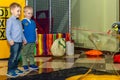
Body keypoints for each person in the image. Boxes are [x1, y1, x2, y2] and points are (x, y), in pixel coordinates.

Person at [6, 2, 27, 77]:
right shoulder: (10, 20)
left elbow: (21, 32)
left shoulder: (18, 21)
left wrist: (24, 39)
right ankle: (10, 70)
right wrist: (9, 40)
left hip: (20, 42)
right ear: (12, 10)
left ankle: (15, 68)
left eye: (20, 11)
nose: (19, 12)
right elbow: (7, 32)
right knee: (13, 56)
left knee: (17, 57)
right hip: (14, 42)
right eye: (18, 11)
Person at [21, 6, 38, 71]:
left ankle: (32, 64)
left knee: (31, 53)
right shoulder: (23, 22)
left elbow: (35, 31)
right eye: (28, 13)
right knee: (24, 53)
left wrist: (36, 39)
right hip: (26, 41)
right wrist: (23, 40)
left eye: (31, 13)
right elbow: (21, 32)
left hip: (32, 40)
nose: (30, 15)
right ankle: (25, 64)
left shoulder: (33, 22)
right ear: (24, 13)